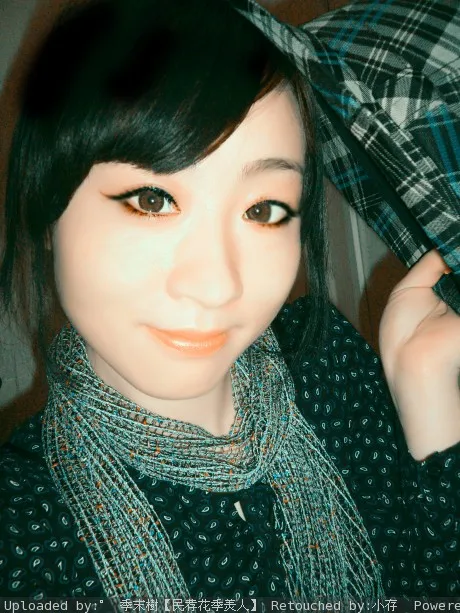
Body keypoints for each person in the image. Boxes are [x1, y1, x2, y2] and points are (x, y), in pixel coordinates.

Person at [0, 0, 459, 603]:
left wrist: (426, 391)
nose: (218, 285)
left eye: (263, 210)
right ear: (47, 208)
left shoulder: (330, 367)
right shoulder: (21, 528)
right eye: (152, 200)